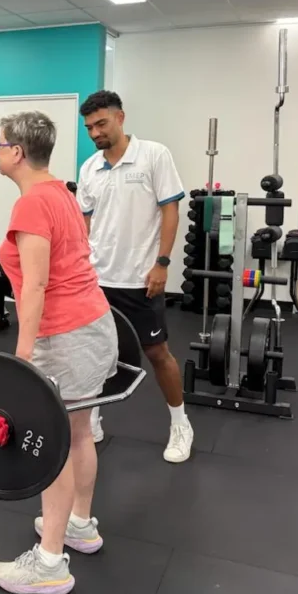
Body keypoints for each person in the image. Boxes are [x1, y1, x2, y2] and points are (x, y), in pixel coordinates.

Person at [0, 111, 117, 594]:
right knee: (80, 433)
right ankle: (80, 525)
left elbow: (36, 285)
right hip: (93, 326)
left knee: (54, 445)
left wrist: (22, 356)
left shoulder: (31, 205)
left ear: (17, 152)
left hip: (65, 338)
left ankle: (49, 564)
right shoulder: (60, 193)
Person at [77, 90, 193, 463]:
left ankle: (180, 424)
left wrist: (162, 263)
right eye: (89, 127)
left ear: (121, 118)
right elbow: (86, 220)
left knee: (157, 353)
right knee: (96, 353)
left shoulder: (154, 155)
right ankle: (93, 415)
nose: (95, 132)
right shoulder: (90, 167)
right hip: (98, 278)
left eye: (101, 123)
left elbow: (171, 212)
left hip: (140, 279)